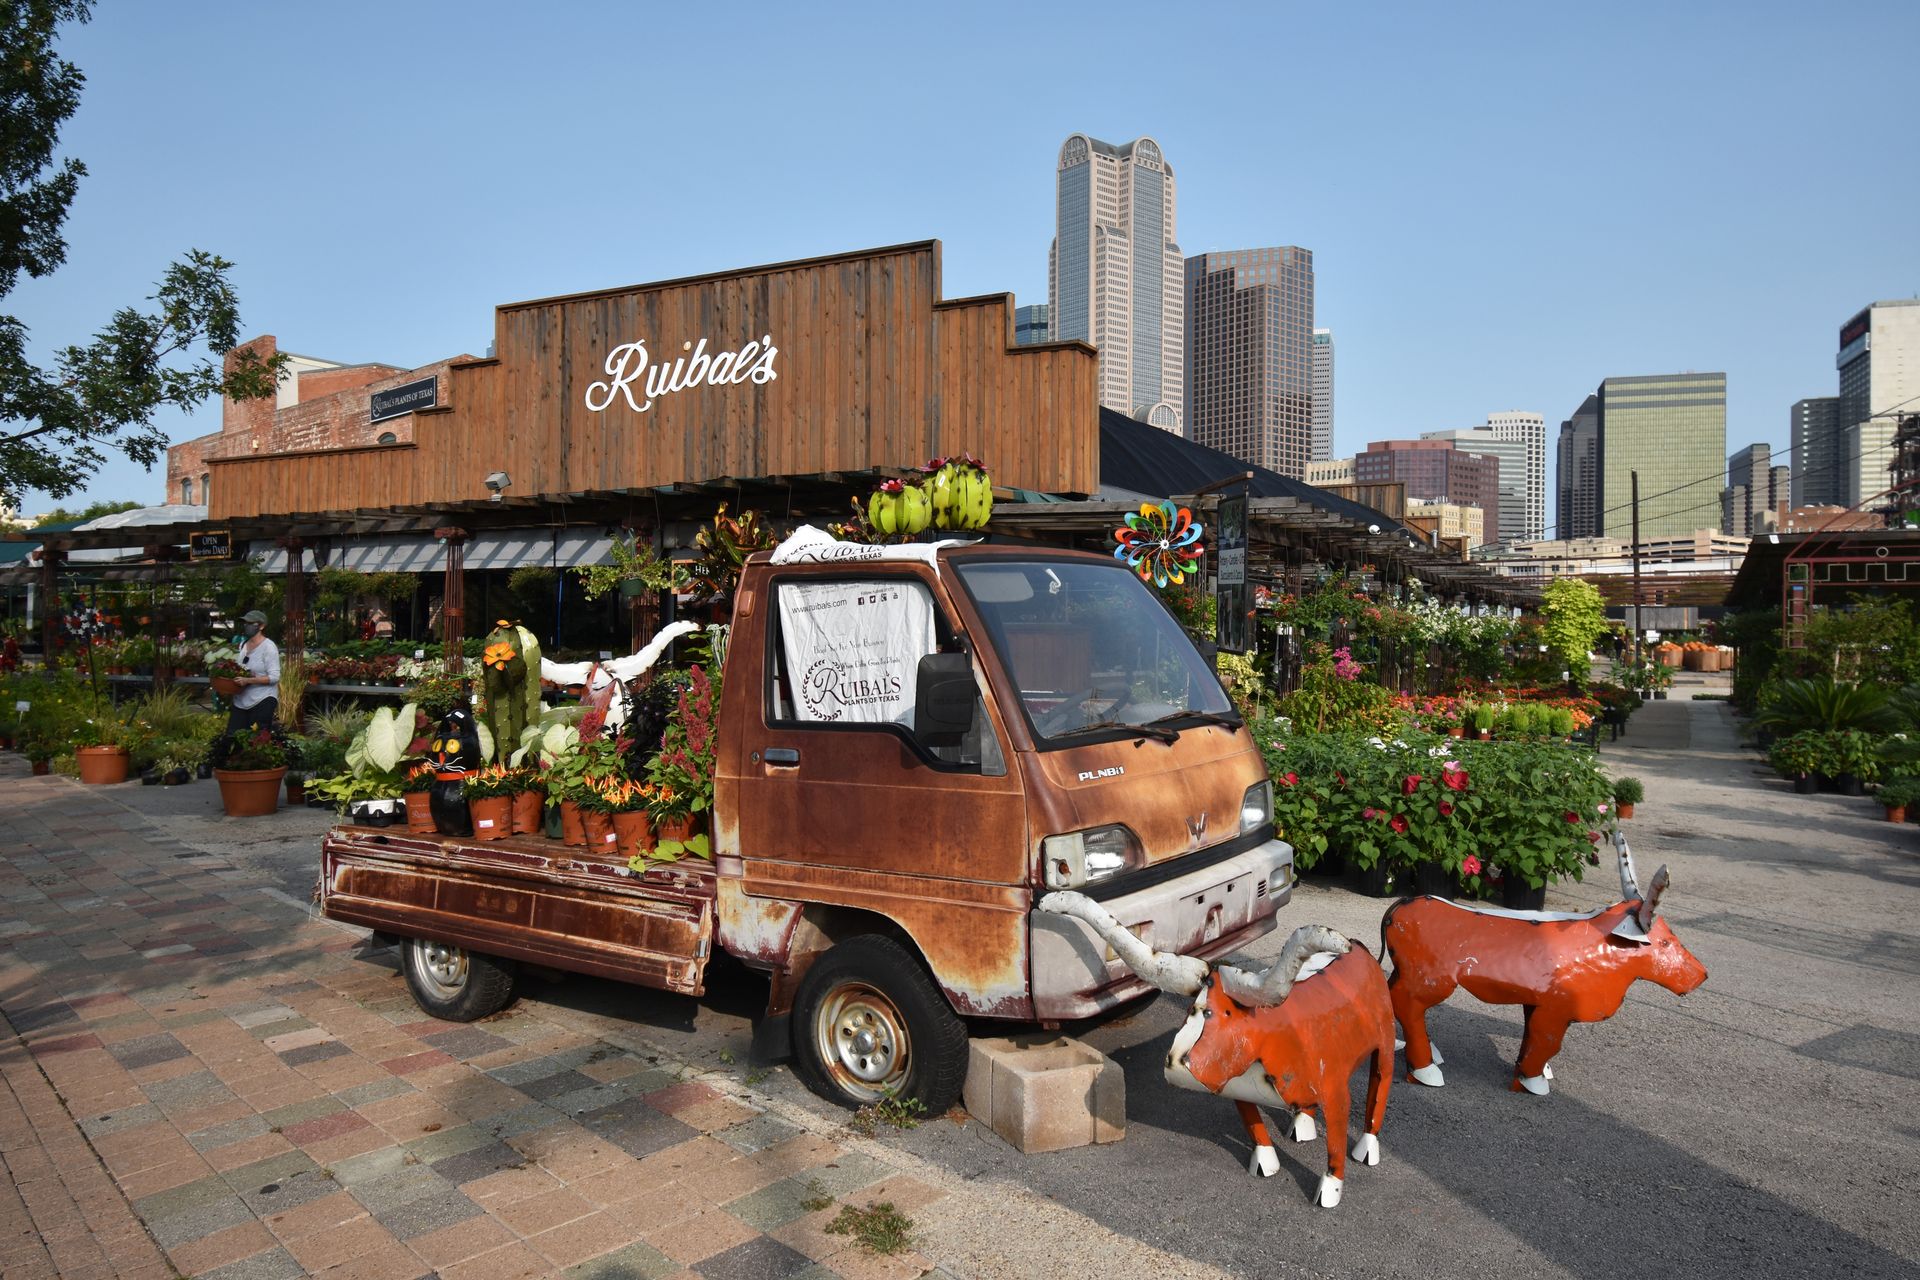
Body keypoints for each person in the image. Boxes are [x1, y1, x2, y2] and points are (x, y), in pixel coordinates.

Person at [226, 609, 282, 734]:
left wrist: (248, 680)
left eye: (251, 623)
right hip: (241, 700)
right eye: (245, 623)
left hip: (262, 700)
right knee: (232, 737)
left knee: (257, 740)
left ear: (261, 626)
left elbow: (274, 677)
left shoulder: (268, 647)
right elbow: (240, 669)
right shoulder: (243, 645)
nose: (247, 626)